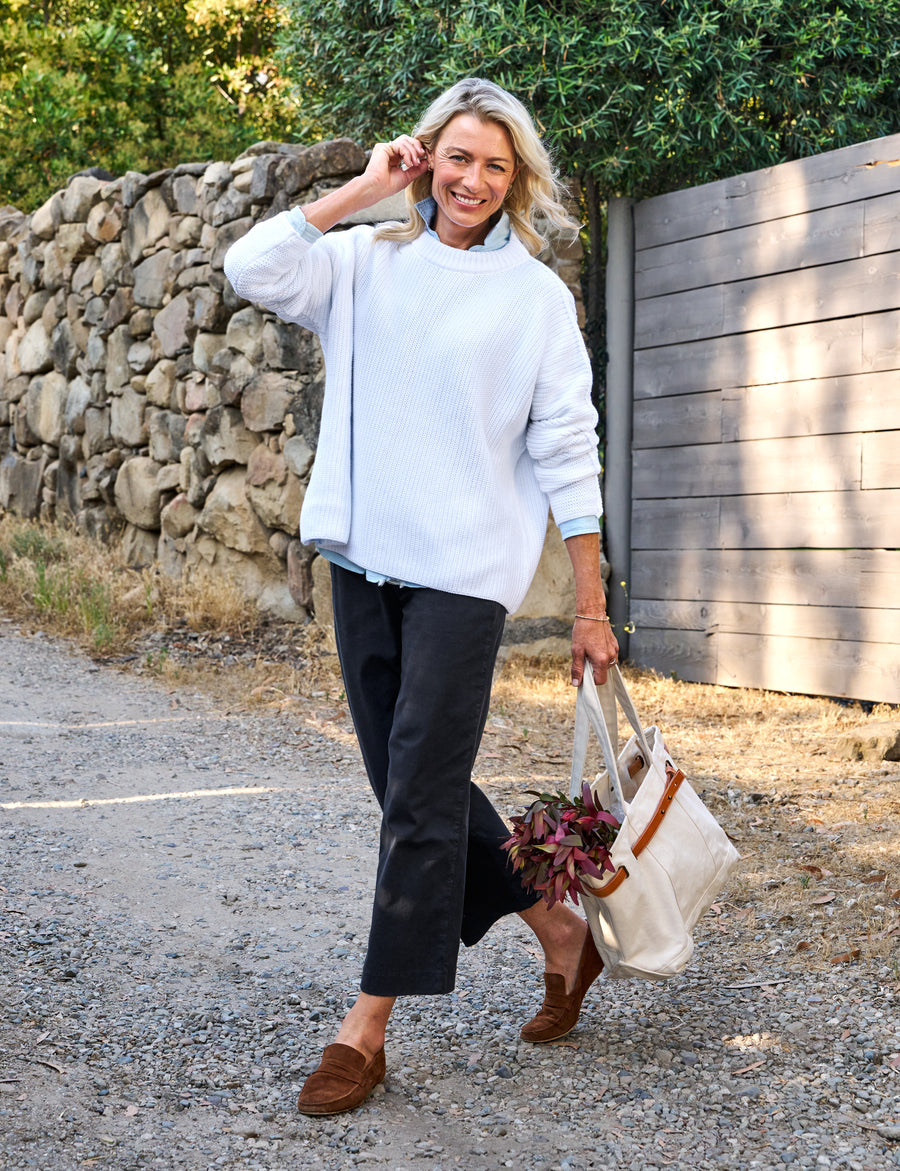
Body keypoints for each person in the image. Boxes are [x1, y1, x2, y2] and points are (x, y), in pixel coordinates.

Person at [224, 76, 619, 1117]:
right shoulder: (362, 260)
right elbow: (248, 265)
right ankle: (560, 928)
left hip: (462, 582)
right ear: (426, 159)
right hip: (360, 565)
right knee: (416, 791)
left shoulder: (534, 297)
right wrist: (361, 187)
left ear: (517, 179)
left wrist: (589, 603)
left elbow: (569, 450)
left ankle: (367, 1027)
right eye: (457, 158)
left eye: (497, 165)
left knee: (416, 801)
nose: (473, 181)